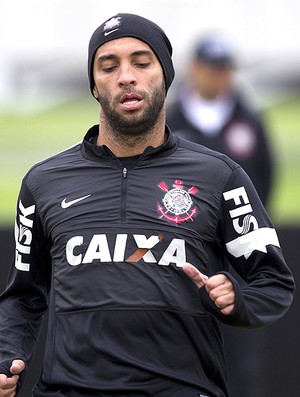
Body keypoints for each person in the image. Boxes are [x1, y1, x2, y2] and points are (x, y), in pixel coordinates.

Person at [0, 13, 294, 397]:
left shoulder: (221, 176)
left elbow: (273, 281)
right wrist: (7, 358)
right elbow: (23, 297)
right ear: (93, 85)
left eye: (141, 63)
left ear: (166, 76)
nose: (126, 77)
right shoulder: (43, 182)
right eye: (108, 66)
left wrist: (237, 299)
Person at [166, 35, 274, 207]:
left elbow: (266, 173)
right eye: (212, 68)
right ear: (194, 68)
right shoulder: (171, 120)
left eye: (224, 69)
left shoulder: (248, 119)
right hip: (184, 222)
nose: (218, 76)